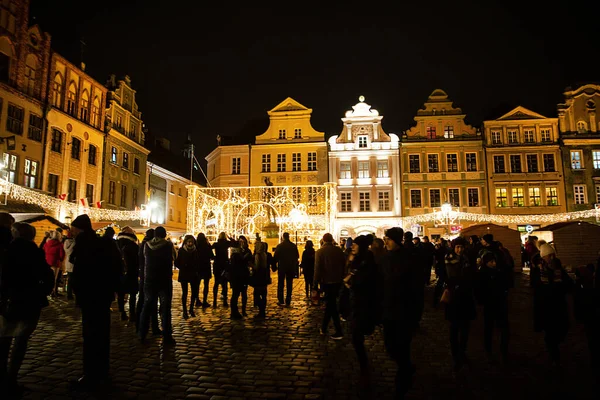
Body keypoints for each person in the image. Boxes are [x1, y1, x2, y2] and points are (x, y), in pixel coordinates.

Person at [0, 222, 53, 395]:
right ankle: (12, 378)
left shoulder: (7, 251)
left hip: (10, 301)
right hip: (30, 301)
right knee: (21, 340)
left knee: (4, 340)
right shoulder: (35, 252)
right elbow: (47, 275)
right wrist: (42, 291)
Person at [69, 214, 121, 390]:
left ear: (79, 229)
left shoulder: (84, 243)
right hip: (103, 294)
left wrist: (77, 290)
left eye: (73, 228)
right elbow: (117, 266)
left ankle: (90, 374)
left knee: (90, 335)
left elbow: (80, 270)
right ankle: (102, 371)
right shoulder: (104, 243)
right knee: (102, 334)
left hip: (89, 295)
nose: (71, 231)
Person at [380, 227, 418, 398]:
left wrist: (414, 314)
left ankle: (402, 384)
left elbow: (413, 287)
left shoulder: (407, 258)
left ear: (396, 240)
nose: (385, 242)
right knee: (389, 345)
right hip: (388, 309)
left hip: (403, 310)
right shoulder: (386, 257)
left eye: (388, 239)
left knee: (402, 346)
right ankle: (407, 368)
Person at [531, 243, 573, 366]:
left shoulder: (559, 268)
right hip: (546, 306)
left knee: (562, 328)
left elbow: (567, 284)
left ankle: (555, 349)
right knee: (550, 332)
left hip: (558, 305)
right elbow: (537, 287)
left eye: (553, 255)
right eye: (550, 255)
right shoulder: (538, 270)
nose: (552, 258)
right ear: (544, 256)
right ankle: (554, 355)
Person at [346, 235, 378, 387]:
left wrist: (351, 280)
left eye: (355, 244)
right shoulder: (358, 259)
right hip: (355, 301)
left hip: (363, 302)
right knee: (356, 334)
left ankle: (364, 364)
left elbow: (362, 280)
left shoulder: (366, 260)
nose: (352, 246)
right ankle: (363, 363)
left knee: (356, 334)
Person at [139, 226, 176, 345]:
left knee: (147, 306)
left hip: (149, 279)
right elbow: (174, 258)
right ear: (164, 235)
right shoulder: (168, 245)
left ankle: (142, 334)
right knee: (165, 308)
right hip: (164, 279)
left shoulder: (146, 245)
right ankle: (167, 336)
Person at [444, 237, 477, 371]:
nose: (459, 249)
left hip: (466, 295)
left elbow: (471, 274)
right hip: (455, 295)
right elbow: (451, 275)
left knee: (465, 326)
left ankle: (462, 350)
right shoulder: (450, 258)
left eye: (461, 247)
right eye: (457, 247)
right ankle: (455, 351)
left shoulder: (467, 258)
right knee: (454, 326)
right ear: (454, 247)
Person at [477, 251, 511, 364]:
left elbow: (507, 284)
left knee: (503, 328)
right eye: (491, 262)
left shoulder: (499, 272)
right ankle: (488, 350)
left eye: (494, 261)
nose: (494, 263)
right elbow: (479, 290)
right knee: (489, 328)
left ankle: (503, 350)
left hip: (500, 303)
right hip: (490, 304)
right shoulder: (482, 273)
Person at [314, 233, 346, 340]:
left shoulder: (320, 252)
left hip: (326, 282)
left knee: (331, 305)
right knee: (330, 304)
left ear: (323, 240)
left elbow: (317, 269)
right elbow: (343, 265)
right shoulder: (339, 251)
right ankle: (324, 328)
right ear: (332, 239)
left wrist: (315, 284)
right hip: (337, 281)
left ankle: (338, 331)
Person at [136, 229, 160, 336]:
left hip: (143, 275)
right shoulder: (150, 245)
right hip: (149, 276)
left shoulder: (142, 244)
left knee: (143, 301)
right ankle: (152, 327)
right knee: (150, 302)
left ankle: (140, 326)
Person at [116, 227, 139, 323]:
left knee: (120, 294)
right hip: (132, 272)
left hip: (119, 272)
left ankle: (122, 312)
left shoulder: (116, 244)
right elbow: (138, 260)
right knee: (132, 294)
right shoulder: (134, 246)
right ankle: (132, 313)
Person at [175, 235, 200, 319]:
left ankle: (191, 309)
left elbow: (197, 261)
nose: (190, 243)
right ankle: (185, 310)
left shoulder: (195, 251)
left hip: (193, 274)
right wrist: (182, 267)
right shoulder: (182, 250)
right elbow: (177, 262)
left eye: (191, 242)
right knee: (184, 293)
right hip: (184, 274)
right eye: (188, 242)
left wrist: (196, 268)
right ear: (185, 242)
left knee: (194, 292)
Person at [228, 235, 253, 319]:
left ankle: (237, 311)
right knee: (235, 294)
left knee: (238, 294)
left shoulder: (238, 254)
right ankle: (234, 312)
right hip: (238, 277)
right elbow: (239, 264)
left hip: (240, 276)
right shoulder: (236, 255)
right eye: (240, 243)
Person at [274, 232, 299, 307]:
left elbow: (276, 256)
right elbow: (297, 256)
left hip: (282, 267)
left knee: (281, 283)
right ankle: (288, 299)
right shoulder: (293, 246)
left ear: (283, 237)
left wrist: (274, 265)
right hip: (290, 267)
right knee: (289, 284)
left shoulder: (280, 246)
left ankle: (281, 299)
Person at [250, 240, 271, 319]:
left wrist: (250, 264)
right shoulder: (264, 254)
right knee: (263, 294)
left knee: (257, 294)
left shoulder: (258, 255)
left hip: (258, 276)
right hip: (264, 276)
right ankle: (262, 311)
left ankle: (261, 310)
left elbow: (257, 267)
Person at [212, 232, 233, 307]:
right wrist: (230, 237)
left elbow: (210, 249)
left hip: (217, 264)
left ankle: (214, 301)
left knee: (216, 283)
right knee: (224, 284)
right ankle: (225, 301)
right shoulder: (227, 243)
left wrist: (214, 257)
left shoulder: (216, 244)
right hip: (224, 265)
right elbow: (234, 243)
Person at [43, 230, 65, 297]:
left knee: (47, 277)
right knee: (54, 278)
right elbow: (62, 255)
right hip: (55, 263)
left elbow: (43, 251)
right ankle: (53, 292)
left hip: (47, 262)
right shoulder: (60, 244)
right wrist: (61, 260)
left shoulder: (46, 243)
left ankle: (47, 291)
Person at [195, 233, 214, 308]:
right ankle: (204, 300)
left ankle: (197, 300)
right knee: (206, 285)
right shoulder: (207, 245)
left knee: (197, 285)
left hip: (198, 266)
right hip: (206, 266)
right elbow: (211, 256)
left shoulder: (196, 246)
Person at [63, 231, 76, 300]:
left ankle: (71, 293)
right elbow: (68, 251)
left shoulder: (71, 241)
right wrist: (74, 244)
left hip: (72, 262)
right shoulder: (68, 242)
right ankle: (69, 294)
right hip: (70, 262)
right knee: (71, 279)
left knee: (72, 279)